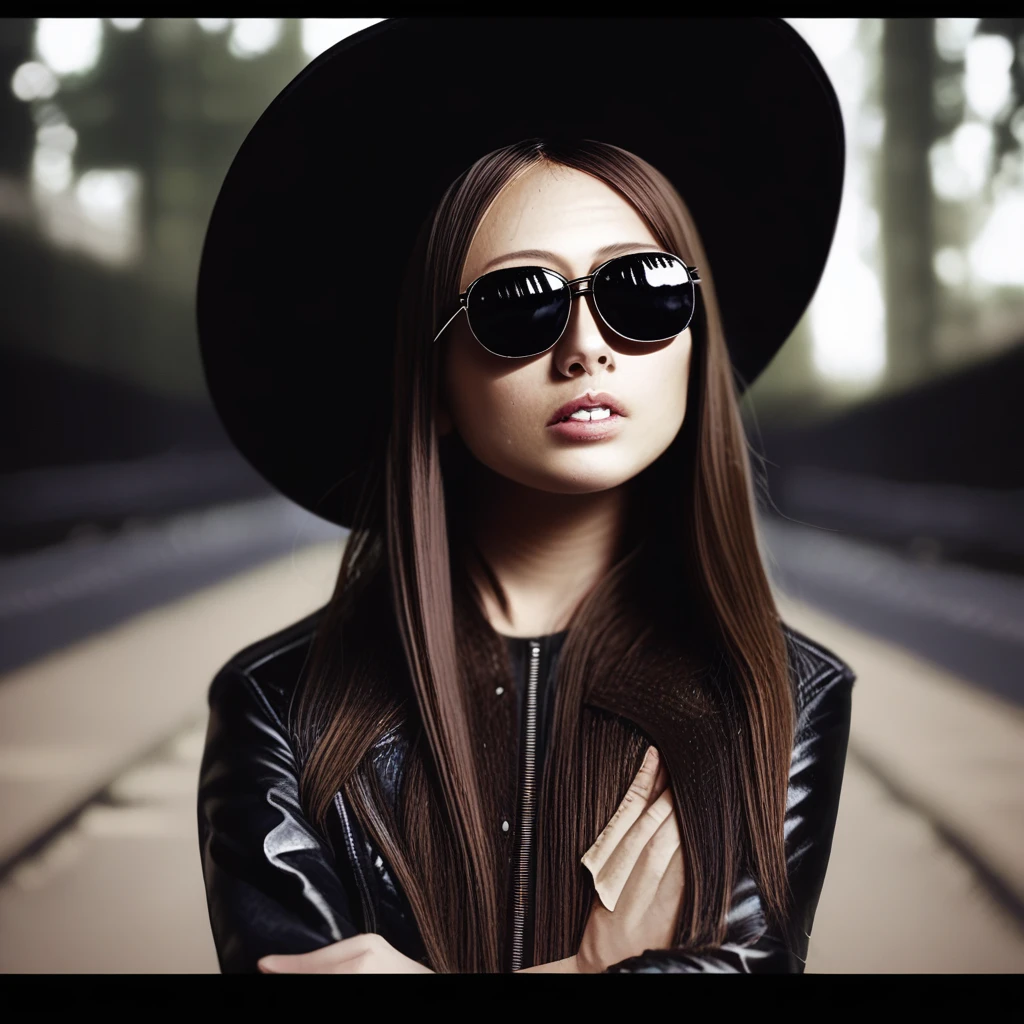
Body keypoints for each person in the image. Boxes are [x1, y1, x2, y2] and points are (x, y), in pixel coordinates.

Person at [196, 17, 854, 974]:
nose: (587, 345)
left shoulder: (786, 701)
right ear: (440, 386)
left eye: (644, 292)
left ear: (693, 344)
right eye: (521, 304)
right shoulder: (277, 706)